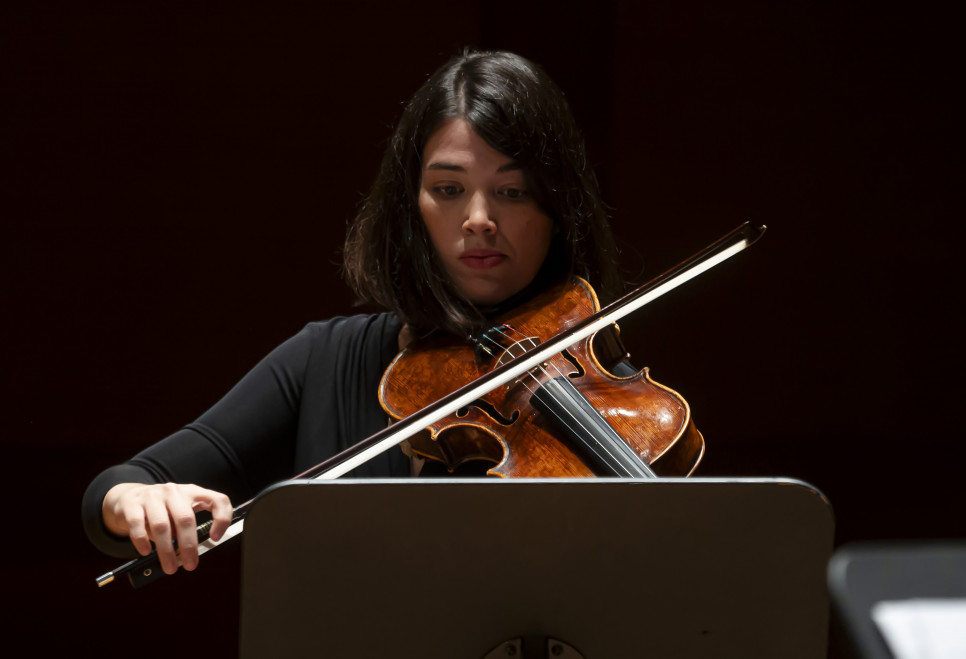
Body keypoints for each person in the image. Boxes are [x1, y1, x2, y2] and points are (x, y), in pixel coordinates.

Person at [82, 49, 634, 577]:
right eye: (448, 188)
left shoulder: (606, 396)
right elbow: (124, 485)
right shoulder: (325, 360)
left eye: (512, 192)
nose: (478, 218)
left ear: (558, 209)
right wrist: (136, 499)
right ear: (411, 206)